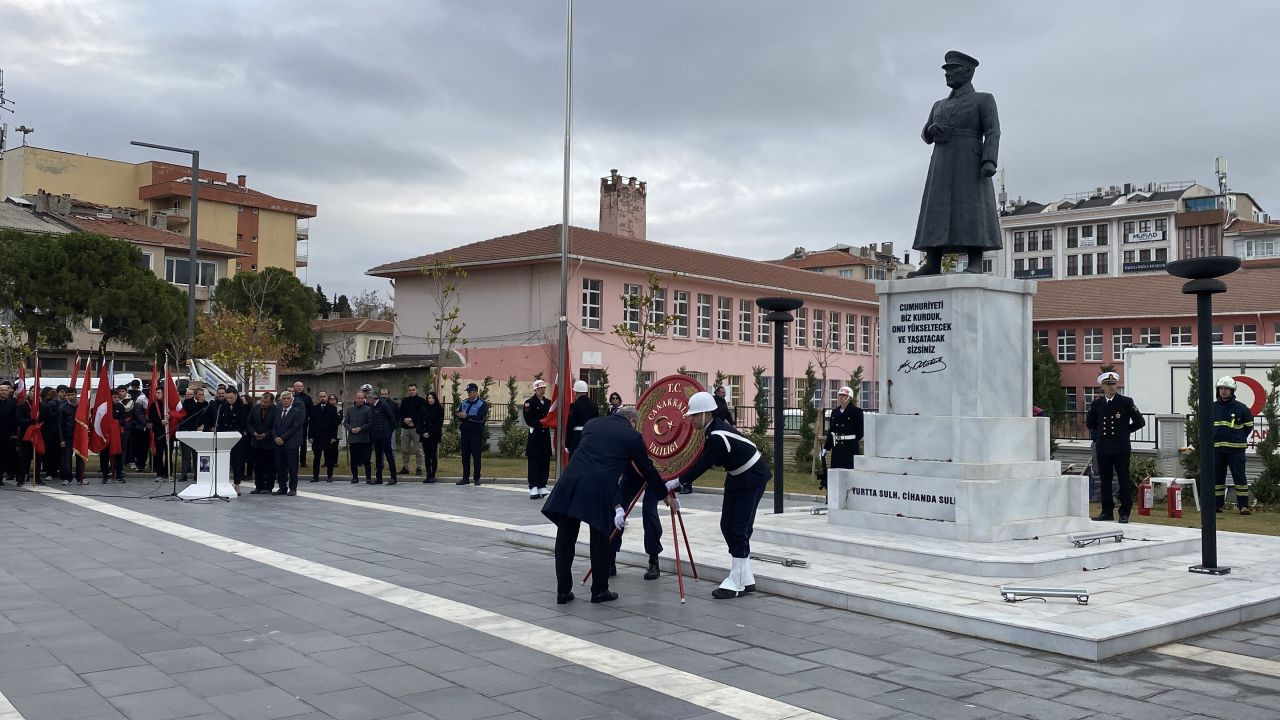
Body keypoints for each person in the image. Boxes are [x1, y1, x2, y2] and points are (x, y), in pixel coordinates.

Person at [541, 408, 669, 604]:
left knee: (565, 538)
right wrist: (664, 495)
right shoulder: (632, 436)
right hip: (598, 487)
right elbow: (647, 469)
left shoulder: (592, 424)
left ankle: (563, 592)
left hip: (570, 480)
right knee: (600, 538)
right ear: (632, 421)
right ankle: (599, 590)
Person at [906, 50, 1002, 278]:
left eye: (953, 69)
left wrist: (989, 160)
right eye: (946, 70)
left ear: (968, 71)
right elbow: (925, 134)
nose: (948, 74)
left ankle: (975, 261)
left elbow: (993, 131)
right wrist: (930, 130)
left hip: (970, 161)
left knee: (971, 210)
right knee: (936, 210)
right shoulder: (938, 104)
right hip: (941, 160)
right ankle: (932, 262)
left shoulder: (983, 99)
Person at [674, 391, 771, 599]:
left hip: (752, 475)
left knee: (739, 528)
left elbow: (702, 464)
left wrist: (676, 481)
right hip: (737, 476)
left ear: (707, 414)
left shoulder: (717, 435)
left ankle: (736, 580)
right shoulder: (712, 430)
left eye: (694, 415)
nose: (690, 419)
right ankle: (746, 577)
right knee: (728, 525)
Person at [1085, 372, 1145, 523]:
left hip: (1120, 448)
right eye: (1108, 384)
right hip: (1104, 448)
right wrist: (1099, 435)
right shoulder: (1097, 404)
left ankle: (1124, 512)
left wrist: (1125, 431)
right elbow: (1090, 423)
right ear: (1103, 386)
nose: (1111, 387)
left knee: (1123, 480)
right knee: (1105, 480)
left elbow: (1140, 422)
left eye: (1113, 384)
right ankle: (1106, 512)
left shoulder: (1126, 402)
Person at [1212, 376, 1254, 515]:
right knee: (1217, 479)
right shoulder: (1212, 408)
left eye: (1227, 389)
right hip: (1217, 449)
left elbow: (1248, 427)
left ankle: (1243, 506)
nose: (1224, 391)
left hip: (1236, 450)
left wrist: (1238, 438)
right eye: (1221, 388)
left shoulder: (1241, 408)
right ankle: (1217, 505)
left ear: (1232, 391)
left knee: (1239, 477)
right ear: (1218, 390)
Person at [822, 386, 864, 482]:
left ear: (849, 397)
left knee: (850, 474)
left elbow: (860, 432)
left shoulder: (856, 412)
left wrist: (850, 441)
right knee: (836, 474)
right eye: (840, 395)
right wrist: (826, 448)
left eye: (844, 395)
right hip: (837, 447)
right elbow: (831, 431)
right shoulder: (835, 412)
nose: (841, 397)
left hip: (850, 448)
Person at [271, 391, 306, 496]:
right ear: (281, 400)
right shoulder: (277, 411)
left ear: (292, 400)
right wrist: (275, 437)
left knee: (292, 467)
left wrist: (282, 437)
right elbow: (273, 426)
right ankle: (282, 487)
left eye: (288, 398)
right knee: (279, 466)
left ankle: (293, 488)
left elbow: (295, 427)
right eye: (284, 399)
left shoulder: (296, 412)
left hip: (291, 444)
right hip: (278, 444)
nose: (286, 400)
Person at [523, 379, 552, 498]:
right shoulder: (529, 403)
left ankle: (542, 485)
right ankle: (533, 486)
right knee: (534, 460)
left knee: (545, 460)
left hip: (545, 435)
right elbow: (529, 420)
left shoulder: (549, 402)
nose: (543, 390)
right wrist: (541, 422)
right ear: (535, 389)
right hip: (535, 434)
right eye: (540, 388)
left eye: (544, 388)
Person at [455, 383, 487, 485]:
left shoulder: (482, 404)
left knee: (476, 456)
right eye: (468, 392)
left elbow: (481, 418)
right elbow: (459, 413)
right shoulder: (464, 402)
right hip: (465, 432)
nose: (469, 394)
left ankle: (476, 478)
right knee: (465, 456)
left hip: (476, 434)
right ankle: (465, 477)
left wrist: (467, 416)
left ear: (476, 392)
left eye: (471, 392)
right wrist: (459, 415)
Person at [246, 392, 278, 494]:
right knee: (257, 465)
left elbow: (276, 426)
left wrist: (266, 435)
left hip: (269, 443)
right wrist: (254, 433)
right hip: (256, 442)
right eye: (262, 401)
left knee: (269, 466)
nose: (263, 404)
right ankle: (258, 486)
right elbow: (249, 423)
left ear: (272, 402)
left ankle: (268, 486)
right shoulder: (255, 408)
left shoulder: (276, 410)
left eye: (266, 402)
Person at [178, 384, 208, 482]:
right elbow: (191, 413)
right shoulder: (187, 402)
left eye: (202, 394)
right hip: (187, 431)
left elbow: (205, 415)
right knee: (186, 455)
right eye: (199, 394)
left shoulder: (206, 404)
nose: (201, 396)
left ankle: (197, 474)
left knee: (197, 454)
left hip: (199, 433)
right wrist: (199, 403)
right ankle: (184, 474)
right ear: (195, 395)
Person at [309, 390, 341, 482]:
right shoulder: (314, 409)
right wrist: (310, 436)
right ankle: (315, 476)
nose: (322, 398)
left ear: (326, 397)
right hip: (317, 438)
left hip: (328, 438)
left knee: (329, 458)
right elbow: (311, 423)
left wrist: (334, 437)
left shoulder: (332, 409)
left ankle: (329, 476)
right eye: (320, 397)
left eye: (324, 396)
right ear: (318, 398)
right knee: (316, 458)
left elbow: (335, 424)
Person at [369, 388, 399, 485]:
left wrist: (390, 431)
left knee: (389, 456)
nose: (367, 400)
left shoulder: (383, 405)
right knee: (378, 457)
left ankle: (393, 478)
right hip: (376, 436)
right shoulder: (372, 406)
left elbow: (392, 418)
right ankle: (379, 478)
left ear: (373, 398)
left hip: (385, 435)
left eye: (368, 398)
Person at [344, 391, 373, 484]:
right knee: (354, 459)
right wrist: (351, 429)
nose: (360, 400)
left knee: (366, 459)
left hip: (364, 438)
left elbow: (370, 423)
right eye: (358, 398)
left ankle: (368, 477)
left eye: (362, 398)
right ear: (355, 399)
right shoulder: (349, 410)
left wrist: (361, 428)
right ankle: (355, 477)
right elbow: (345, 423)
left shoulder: (368, 409)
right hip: (353, 438)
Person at [398, 383, 426, 476]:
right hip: (405, 428)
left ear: (416, 390)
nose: (412, 391)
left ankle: (419, 468)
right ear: (408, 391)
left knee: (418, 449)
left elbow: (421, 414)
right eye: (410, 390)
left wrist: (411, 419)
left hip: (416, 428)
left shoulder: (422, 401)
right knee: (405, 449)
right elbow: (401, 412)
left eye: (413, 390)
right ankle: (405, 467)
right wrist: (405, 419)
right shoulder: (405, 401)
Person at [566, 380, 596, 457]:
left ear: (577, 392)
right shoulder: (594, 405)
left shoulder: (574, 405)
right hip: (590, 436)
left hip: (577, 437)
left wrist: (567, 443)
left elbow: (570, 425)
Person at [419, 391, 444, 483]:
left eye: (432, 398)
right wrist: (423, 432)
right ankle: (428, 475)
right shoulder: (423, 408)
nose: (430, 399)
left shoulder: (439, 409)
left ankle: (433, 475)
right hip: (424, 435)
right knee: (426, 455)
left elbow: (439, 423)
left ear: (435, 399)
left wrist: (430, 433)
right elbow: (420, 422)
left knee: (433, 455)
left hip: (434, 435)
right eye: (429, 398)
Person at [147, 387, 170, 482]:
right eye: (156, 392)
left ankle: (168, 473)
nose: (156, 394)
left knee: (168, 453)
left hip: (169, 432)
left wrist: (170, 417)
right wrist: (161, 421)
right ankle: (159, 473)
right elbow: (151, 418)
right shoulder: (153, 405)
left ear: (164, 393)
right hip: (159, 432)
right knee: (159, 454)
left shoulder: (168, 404)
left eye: (159, 392)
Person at [290, 381, 314, 469]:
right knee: (293, 443)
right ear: (294, 388)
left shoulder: (307, 398)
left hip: (303, 423)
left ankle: (303, 462)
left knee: (303, 443)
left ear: (303, 387)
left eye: (301, 386)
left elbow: (311, 410)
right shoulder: (290, 397)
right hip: (292, 424)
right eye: (297, 386)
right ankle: (293, 461)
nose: (299, 388)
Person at [0, 381, 18, 486]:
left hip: (7, 434)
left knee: (4, 457)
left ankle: (0, 477)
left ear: (8, 392)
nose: (4, 392)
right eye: (2, 390)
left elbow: (14, 420)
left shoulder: (12, 403)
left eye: (6, 390)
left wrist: (14, 433)